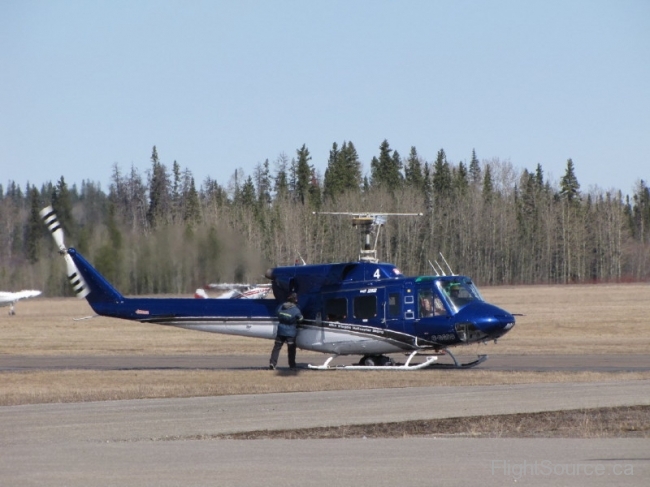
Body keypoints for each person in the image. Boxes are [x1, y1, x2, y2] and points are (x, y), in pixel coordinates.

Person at [269, 292, 303, 370]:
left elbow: (276, 312)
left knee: (276, 348)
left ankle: (272, 363)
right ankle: (292, 365)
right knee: (291, 349)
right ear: (295, 300)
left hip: (280, 331)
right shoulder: (296, 310)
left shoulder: (281, 307)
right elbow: (301, 319)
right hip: (291, 332)